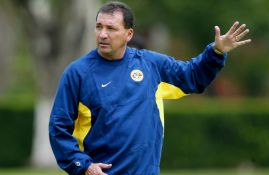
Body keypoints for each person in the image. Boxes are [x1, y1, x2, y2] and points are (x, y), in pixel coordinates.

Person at [49, 1, 251, 175]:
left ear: (129, 34)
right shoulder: (77, 73)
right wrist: (84, 166)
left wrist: (215, 52)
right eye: (99, 27)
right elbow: (58, 128)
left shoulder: (151, 65)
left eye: (111, 28)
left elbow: (193, 76)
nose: (103, 34)